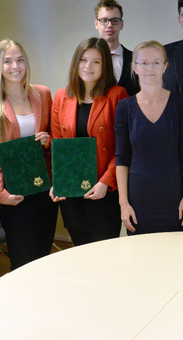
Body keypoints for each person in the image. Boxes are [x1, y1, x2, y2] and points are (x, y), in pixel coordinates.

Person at [0, 39, 57, 270]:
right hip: (14, 193)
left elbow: (55, 136)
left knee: (44, 256)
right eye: (7, 61)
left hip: (45, 189)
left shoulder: (42, 94)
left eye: (20, 60)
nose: (15, 66)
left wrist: (48, 141)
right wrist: (0, 194)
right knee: (23, 261)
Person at [51, 37, 128, 244]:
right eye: (83, 60)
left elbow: (123, 148)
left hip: (104, 191)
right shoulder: (61, 96)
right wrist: (58, 181)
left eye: (96, 62)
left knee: (104, 253)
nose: (88, 66)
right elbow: (58, 144)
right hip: (72, 192)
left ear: (105, 66)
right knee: (80, 251)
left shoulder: (117, 95)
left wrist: (105, 182)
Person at [115, 41, 183, 234]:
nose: (150, 68)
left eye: (156, 62)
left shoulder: (181, 103)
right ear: (135, 67)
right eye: (144, 63)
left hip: (175, 198)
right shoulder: (125, 107)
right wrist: (124, 204)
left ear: (165, 66)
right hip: (138, 200)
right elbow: (122, 159)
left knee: (179, 250)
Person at [95, 0, 139, 96]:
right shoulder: (85, 61)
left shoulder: (136, 60)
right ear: (96, 24)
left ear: (121, 24)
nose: (110, 25)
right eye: (104, 20)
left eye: (115, 20)